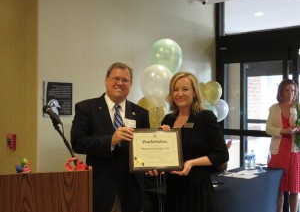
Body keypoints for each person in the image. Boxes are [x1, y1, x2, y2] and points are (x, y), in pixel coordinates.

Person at [71, 62, 150, 212]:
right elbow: (78, 143)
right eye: (115, 78)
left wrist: (151, 163)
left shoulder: (140, 113)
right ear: (106, 81)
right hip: (101, 188)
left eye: (125, 80)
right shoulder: (86, 108)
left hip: (132, 190)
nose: (120, 83)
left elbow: (143, 149)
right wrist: (111, 141)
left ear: (131, 84)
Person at [152, 71, 229, 212]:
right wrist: (162, 143)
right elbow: (165, 156)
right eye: (175, 89)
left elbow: (222, 155)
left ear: (194, 92)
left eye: (185, 89)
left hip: (197, 190)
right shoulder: (168, 120)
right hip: (173, 190)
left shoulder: (205, 117)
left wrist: (191, 163)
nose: (179, 93)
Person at [266, 79, 300, 212]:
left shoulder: (298, 107)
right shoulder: (274, 108)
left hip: (294, 151)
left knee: (294, 188)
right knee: (278, 188)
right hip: (278, 151)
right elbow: (268, 128)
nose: (290, 93)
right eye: (287, 90)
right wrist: (282, 131)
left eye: (292, 90)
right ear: (281, 91)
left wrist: (297, 128)